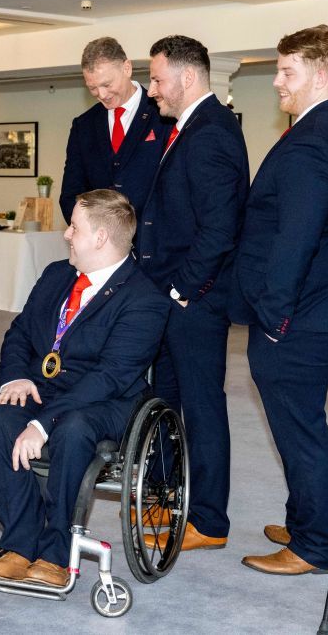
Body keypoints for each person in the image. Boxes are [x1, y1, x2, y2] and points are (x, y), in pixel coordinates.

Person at [0, 189, 168, 588]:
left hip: (107, 400)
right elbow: (20, 333)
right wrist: (15, 378)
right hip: (46, 387)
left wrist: (43, 423)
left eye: (74, 227)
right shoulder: (56, 275)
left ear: (99, 238)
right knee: (1, 418)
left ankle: (56, 554)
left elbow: (110, 376)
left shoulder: (145, 299)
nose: (65, 234)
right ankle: (20, 545)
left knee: (73, 428)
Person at [230, 25, 328, 576]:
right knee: (299, 424)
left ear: (318, 73)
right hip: (317, 303)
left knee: (300, 428)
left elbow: (298, 236)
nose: (279, 82)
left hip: (296, 312)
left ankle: (312, 545)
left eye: (287, 72)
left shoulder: (313, 138)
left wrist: (274, 312)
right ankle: (305, 519)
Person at [138, 35, 249, 552]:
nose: (153, 90)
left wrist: (183, 290)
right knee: (166, 400)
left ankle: (209, 519)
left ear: (187, 77)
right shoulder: (189, 127)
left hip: (195, 302)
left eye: (158, 79)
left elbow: (219, 228)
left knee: (202, 408)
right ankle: (170, 501)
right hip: (171, 296)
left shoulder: (212, 132)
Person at [59, 36, 170, 224]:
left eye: (107, 84)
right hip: (101, 244)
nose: (102, 95)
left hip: (155, 242)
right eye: (92, 88)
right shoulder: (83, 126)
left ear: (127, 68)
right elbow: (72, 193)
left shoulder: (164, 116)